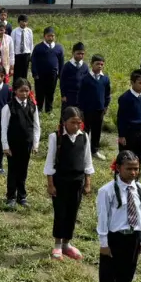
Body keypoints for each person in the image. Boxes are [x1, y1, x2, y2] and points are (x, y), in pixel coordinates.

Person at [97, 150, 141, 282]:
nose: (133, 173)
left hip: (133, 238)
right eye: (129, 169)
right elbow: (103, 218)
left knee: (126, 275)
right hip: (114, 239)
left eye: (136, 169)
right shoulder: (107, 191)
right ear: (118, 168)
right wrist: (104, 243)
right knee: (109, 276)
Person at [45, 106, 94, 261]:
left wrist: (87, 183)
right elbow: (50, 162)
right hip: (60, 181)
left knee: (72, 212)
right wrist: (50, 184)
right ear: (64, 122)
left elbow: (87, 161)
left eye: (79, 123)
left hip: (77, 182)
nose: (76, 126)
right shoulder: (56, 137)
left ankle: (67, 243)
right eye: (73, 122)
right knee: (60, 212)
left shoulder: (84, 137)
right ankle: (58, 244)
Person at [1, 78, 41, 208]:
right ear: (15, 91)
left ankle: (22, 196)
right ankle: (11, 196)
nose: (24, 94)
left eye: (26, 91)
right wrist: (5, 146)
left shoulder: (32, 106)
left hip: (27, 144)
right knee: (13, 170)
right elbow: (4, 128)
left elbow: (36, 126)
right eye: (21, 91)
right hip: (13, 144)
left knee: (23, 170)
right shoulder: (8, 107)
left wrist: (35, 144)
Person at [117, 70, 141, 171]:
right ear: (132, 83)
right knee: (126, 157)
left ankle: (135, 179)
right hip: (129, 132)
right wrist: (122, 135)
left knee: (139, 156)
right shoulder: (125, 98)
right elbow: (121, 118)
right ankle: (120, 177)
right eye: (140, 83)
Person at [78, 54, 111, 160]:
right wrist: (81, 110)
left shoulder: (105, 79)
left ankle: (95, 150)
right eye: (97, 64)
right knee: (85, 130)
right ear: (92, 64)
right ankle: (83, 150)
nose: (100, 66)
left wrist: (105, 106)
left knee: (97, 131)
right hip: (87, 110)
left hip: (99, 110)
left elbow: (107, 94)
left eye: (102, 64)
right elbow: (80, 95)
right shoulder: (85, 79)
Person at [31, 27, 64, 114]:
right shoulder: (38, 48)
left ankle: (49, 110)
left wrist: (60, 74)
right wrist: (35, 73)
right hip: (40, 75)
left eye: (52, 36)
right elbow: (33, 61)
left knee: (50, 92)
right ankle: (39, 109)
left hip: (53, 75)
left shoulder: (58, 48)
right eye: (48, 36)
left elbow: (61, 62)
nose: (50, 38)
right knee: (40, 93)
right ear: (44, 36)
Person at [60, 42, 89, 110]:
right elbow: (62, 82)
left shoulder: (85, 66)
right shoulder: (67, 66)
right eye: (78, 53)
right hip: (69, 96)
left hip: (81, 96)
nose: (80, 56)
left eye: (82, 54)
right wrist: (63, 95)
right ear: (73, 53)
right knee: (67, 114)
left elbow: (87, 81)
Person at [12, 15, 33, 80]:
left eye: (26, 22)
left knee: (24, 72)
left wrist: (31, 54)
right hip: (17, 54)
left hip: (26, 54)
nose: (24, 23)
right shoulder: (15, 31)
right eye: (22, 21)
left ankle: (23, 85)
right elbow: (12, 44)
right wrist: (12, 55)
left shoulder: (29, 31)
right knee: (17, 72)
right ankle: (16, 86)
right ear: (19, 22)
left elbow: (31, 43)